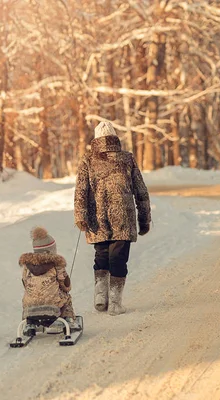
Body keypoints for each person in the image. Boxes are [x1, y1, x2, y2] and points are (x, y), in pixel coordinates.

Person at [74, 121, 151, 316]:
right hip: (123, 217)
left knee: (101, 256)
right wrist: (144, 219)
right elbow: (141, 191)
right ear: (114, 137)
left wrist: (81, 215)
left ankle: (101, 297)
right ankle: (115, 303)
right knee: (118, 259)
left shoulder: (88, 160)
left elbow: (81, 191)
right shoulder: (127, 159)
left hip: (97, 218)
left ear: (96, 139)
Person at [19, 226, 78, 329]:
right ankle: (68, 320)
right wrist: (66, 288)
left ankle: (29, 324)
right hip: (52, 303)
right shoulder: (57, 264)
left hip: (30, 306)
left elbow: (24, 282)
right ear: (51, 250)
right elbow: (65, 284)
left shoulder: (26, 266)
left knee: (28, 297)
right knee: (66, 297)